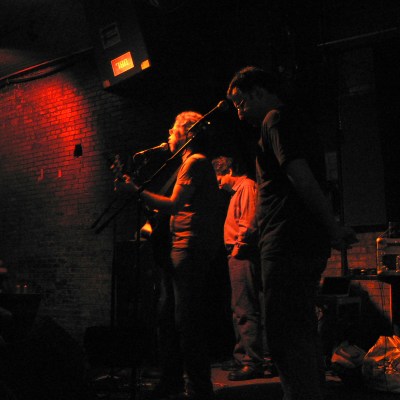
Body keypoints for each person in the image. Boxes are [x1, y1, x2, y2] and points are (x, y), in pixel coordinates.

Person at [226, 66, 357, 400]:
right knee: (300, 327)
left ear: (258, 92)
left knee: (284, 332)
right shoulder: (292, 122)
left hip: (287, 241)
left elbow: (300, 176)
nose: (239, 112)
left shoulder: (275, 120)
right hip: (297, 239)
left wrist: (332, 226)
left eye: (240, 102)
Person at [116, 111, 221, 400]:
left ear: (188, 134)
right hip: (178, 248)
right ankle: (172, 380)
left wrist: (136, 191)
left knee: (186, 321)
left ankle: (199, 387)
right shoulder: (186, 164)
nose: (169, 135)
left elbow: (174, 204)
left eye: (174, 130)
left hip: (190, 248)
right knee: (168, 319)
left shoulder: (195, 162)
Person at [212, 155, 264, 381]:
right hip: (237, 253)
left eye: (219, 178)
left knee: (245, 308)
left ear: (229, 171)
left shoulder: (247, 187)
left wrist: (238, 247)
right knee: (239, 307)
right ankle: (242, 356)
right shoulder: (238, 191)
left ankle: (252, 361)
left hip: (242, 253)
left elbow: (249, 222)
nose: (218, 184)